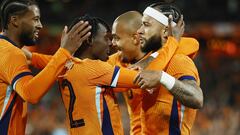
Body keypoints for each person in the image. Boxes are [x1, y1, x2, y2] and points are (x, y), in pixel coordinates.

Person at [23, 15, 145, 135]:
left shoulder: (66, 65)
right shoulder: (97, 69)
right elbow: (142, 78)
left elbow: (54, 62)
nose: (110, 43)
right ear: (90, 40)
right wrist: (155, 55)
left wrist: (33, 57)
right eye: (106, 38)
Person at [0, 0, 91, 134]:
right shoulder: (11, 53)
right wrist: (64, 51)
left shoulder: (5, 48)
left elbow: (36, 59)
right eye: (35, 19)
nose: (40, 25)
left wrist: (75, 61)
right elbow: (30, 93)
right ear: (15, 20)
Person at [133, 3, 203, 135]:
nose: (139, 30)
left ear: (165, 31)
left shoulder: (179, 60)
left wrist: (162, 77)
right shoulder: (150, 60)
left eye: (146, 25)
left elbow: (197, 98)